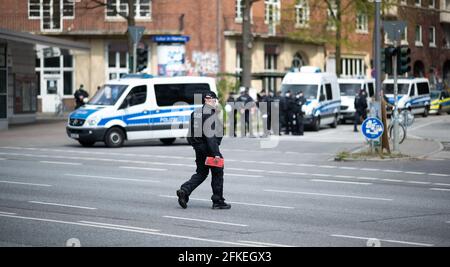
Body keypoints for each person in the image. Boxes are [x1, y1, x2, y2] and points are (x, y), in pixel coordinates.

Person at [177, 91, 231, 210]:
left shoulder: (195, 113)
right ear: (209, 100)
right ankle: (218, 201)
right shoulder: (210, 114)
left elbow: (190, 134)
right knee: (217, 172)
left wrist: (195, 145)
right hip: (209, 149)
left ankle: (184, 190)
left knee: (201, 173)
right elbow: (210, 137)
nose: (216, 103)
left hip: (199, 148)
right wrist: (216, 154)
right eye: (215, 100)